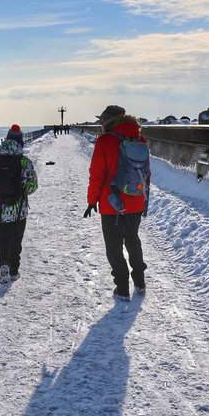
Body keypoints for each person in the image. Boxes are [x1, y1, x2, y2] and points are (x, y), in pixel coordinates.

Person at [84, 105, 150, 301]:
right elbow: (146, 174)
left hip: (111, 202)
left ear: (108, 121)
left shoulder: (105, 141)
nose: (101, 123)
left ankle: (122, 288)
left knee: (114, 247)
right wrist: (144, 200)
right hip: (136, 200)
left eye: (102, 120)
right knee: (132, 239)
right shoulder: (140, 140)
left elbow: (96, 175)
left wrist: (91, 200)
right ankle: (140, 282)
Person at [0, 124, 38, 284]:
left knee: (2, 239)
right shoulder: (24, 162)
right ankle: (14, 271)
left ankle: (4, 267)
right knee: (16, 239)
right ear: (20, 142)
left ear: (6, 140)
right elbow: (33, 185)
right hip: (19, 209)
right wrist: (21, 191)